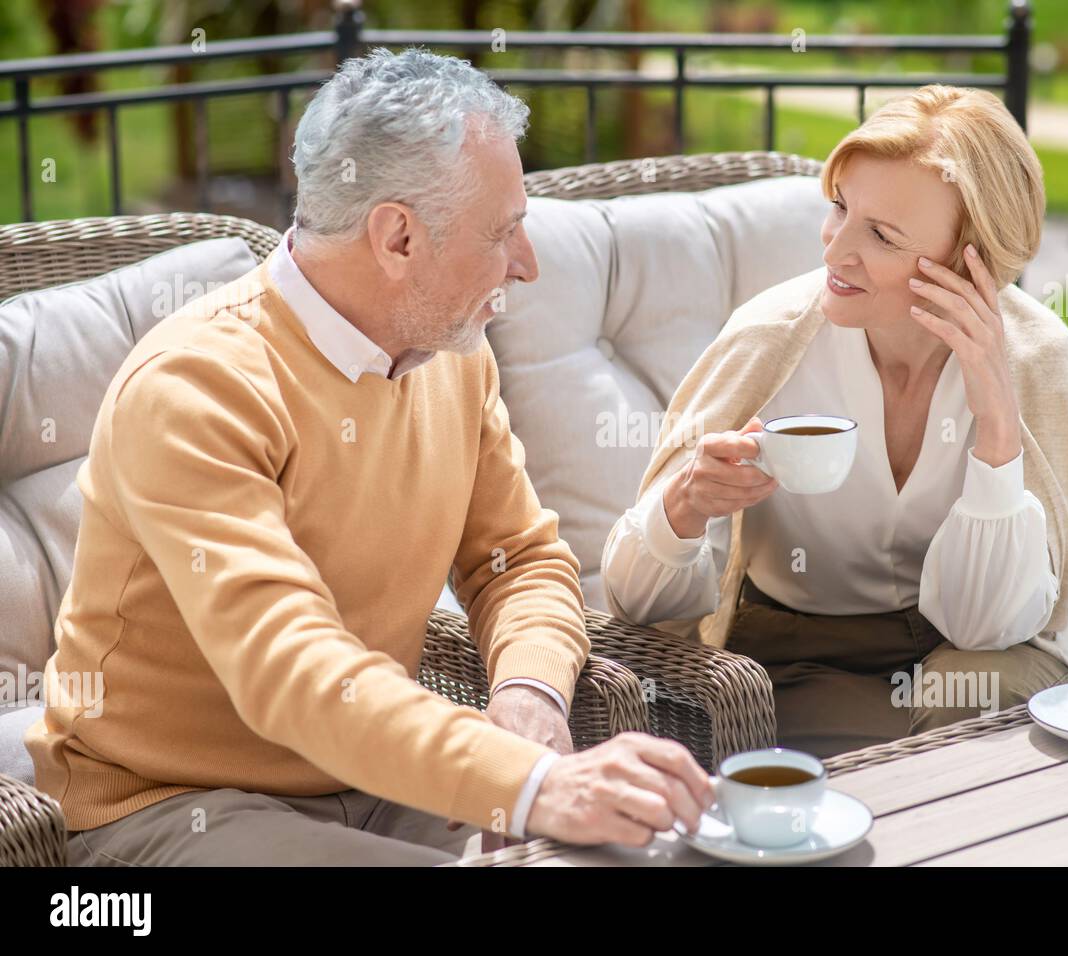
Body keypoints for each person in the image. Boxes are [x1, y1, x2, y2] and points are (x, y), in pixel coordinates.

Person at [25, 48, 711, 866]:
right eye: (504, 232)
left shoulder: (451, 352)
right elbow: (291, 668)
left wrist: (529, 696)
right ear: (398, 236)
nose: (526, 263)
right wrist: (532, 783)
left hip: (376, 782)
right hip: (171, 804)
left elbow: (516, 560)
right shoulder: (196, 387)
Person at [602, 85, 1068, 760]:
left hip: (993, 653)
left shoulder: (1038, 361)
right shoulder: (769, 341)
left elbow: (987, 627)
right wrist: (681, 507)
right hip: (805, 653)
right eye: (840, 209)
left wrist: (997, 425)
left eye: (880, 234)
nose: (834, 251)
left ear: (972, 260)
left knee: (973, 689)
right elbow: (635, 603)